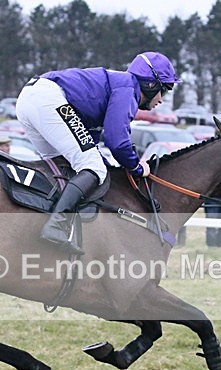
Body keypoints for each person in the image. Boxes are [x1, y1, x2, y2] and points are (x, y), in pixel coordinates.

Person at [16, 51, 181, 254]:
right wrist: (136, 166)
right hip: (47, 99)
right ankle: (56, 226)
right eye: (164, 91)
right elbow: (117, 141)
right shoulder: (128, 88)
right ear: (150, 84)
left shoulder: (117, 86)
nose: (161, 100)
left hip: (31, 98)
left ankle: (38, 222)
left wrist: (108, 166)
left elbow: (90, 143)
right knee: (92, 167)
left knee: (64, 167)